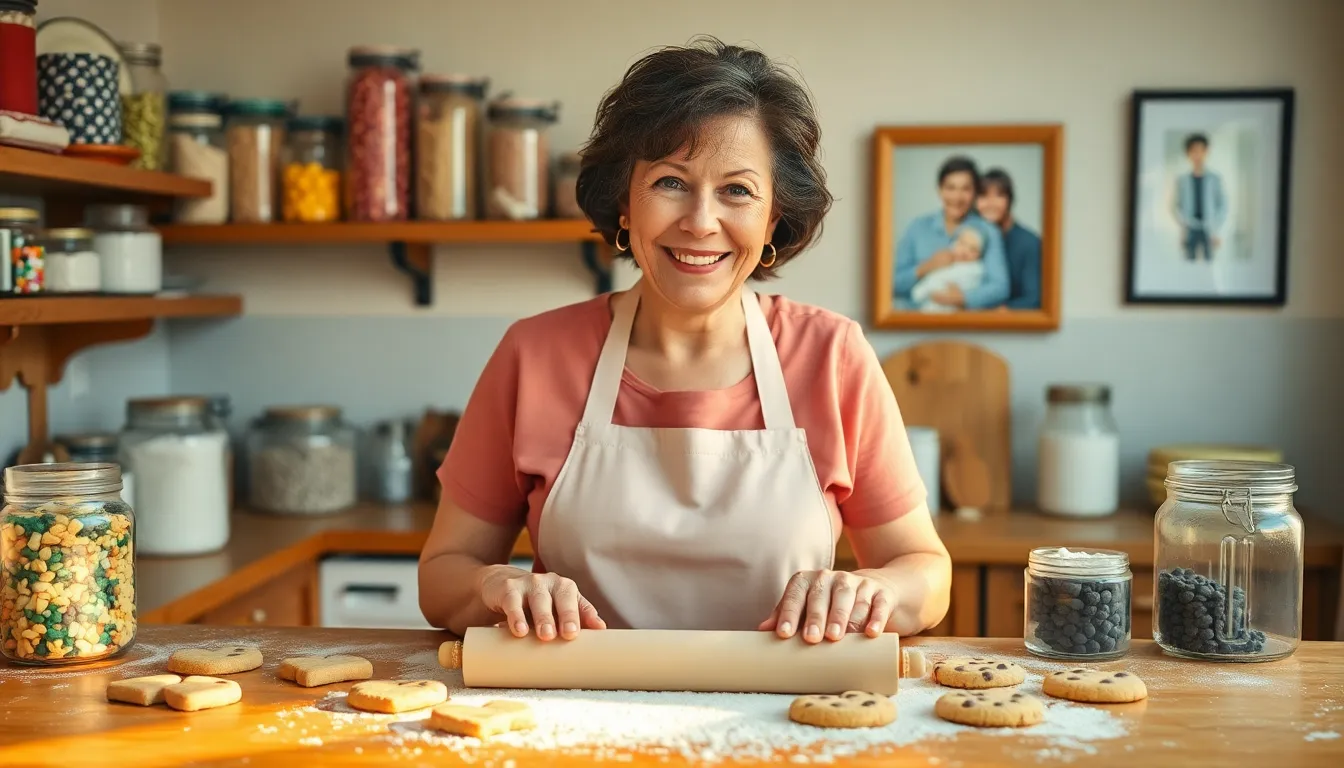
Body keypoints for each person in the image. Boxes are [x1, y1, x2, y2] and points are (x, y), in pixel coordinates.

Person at [418, 37, 950, 646]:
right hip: (572, 715)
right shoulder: (534, 355)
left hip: (781, 718)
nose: (700, 221)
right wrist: (494, 587)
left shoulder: (832, 356)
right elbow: (442, 578)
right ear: (624, 202)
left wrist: (875, 591)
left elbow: (927, 575)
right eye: (671, 182)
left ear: (774, 217)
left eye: (738, 190)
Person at [892, 156, 1009, 310]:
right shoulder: (917, 228)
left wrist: (962, 298)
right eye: (950, 188)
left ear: (974, 193)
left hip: (966, 327)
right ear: (940, 190)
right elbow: (891, 284)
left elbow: (1000, 287)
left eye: (965, 189)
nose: (957, 197)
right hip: (918, 324)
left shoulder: (988, 232)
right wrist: (926, 267)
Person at [975, 168, 1042, 310]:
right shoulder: (974, 239)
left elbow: (1034, 298)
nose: (990, 203)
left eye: (998, 196)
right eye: (983, 196)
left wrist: (1004, 311)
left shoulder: (1029, 243)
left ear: (1010, 200)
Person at [1170, 133, 1227, 262]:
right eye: (1194, 151)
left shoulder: (1215, 179)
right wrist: (1184, 222)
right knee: (1189, 261)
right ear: (1188, 153)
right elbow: (1175, 205)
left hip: (1209, 227)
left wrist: (1216, 226)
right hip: (1190, 227)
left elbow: (1223, 205)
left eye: (1201, 150)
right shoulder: (1182, 180)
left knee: (1210, 261)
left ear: (1206, 152)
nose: (1198, 155)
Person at [909, 226, 985, 313]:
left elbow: (939, 280)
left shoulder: (973, 269)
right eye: (962, 244)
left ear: (979, 256)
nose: (965, 251)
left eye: (973, 250)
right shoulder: (947, 260)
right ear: (954, 244)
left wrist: (920, 291)